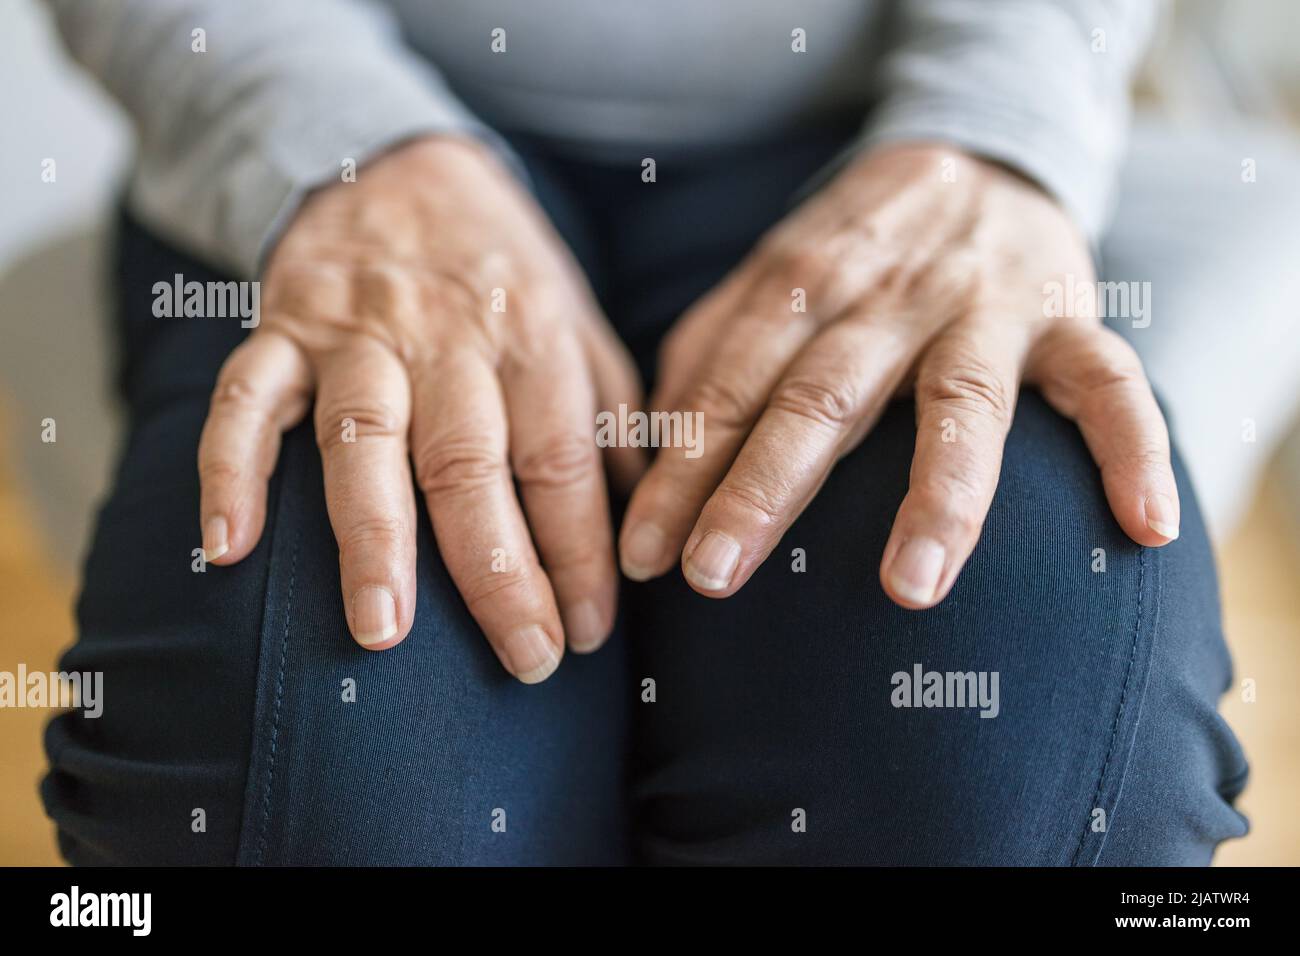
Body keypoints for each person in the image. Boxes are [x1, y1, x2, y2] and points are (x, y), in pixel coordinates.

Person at [41, 0, 1249, 865]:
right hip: (337, 121)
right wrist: (339, 147)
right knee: (316, 808)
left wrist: (994, 136)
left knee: (1039, 802)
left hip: (881, 138)